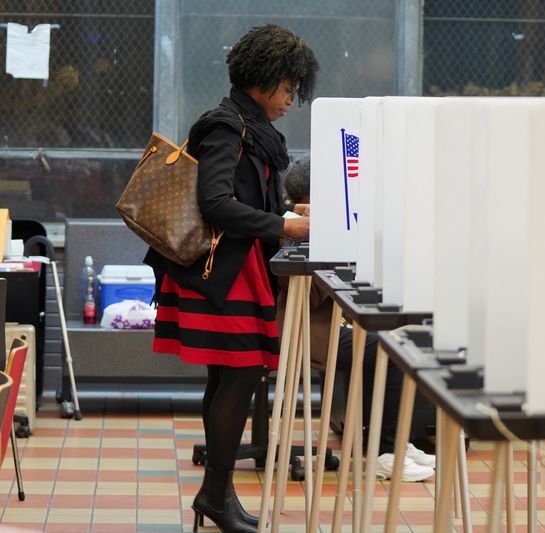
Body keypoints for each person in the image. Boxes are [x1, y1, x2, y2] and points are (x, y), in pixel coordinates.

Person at [144, 25, 318, 533]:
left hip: (231, 270)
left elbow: (240, 194)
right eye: (287, 88)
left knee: (227, 378)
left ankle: (216, 495)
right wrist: (284, 224)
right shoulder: (228, 128)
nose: (290, 100)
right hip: (223, 273)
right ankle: (216, 497)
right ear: (263, 81)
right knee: (238, 377)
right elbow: (216, 203)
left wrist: (286, 208)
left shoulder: (244, 124)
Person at [279, 157, 436, 482]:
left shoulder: (312, 222)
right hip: (309, 329)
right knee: (393, 352)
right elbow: (305, 296)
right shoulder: (294, 227)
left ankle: (397, 443)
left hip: (328, 324)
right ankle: (386, 453)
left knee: (396, 340)